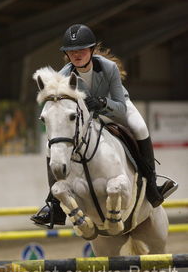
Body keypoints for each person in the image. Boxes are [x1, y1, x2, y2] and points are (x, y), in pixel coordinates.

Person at [31, 24, 176, 228]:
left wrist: (102, 103)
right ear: (67, 55)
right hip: (86, 115)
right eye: (72, 51)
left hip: (115, 107)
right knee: (51, 146)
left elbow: (120, 108)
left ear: (91, 50)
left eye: (81, 50)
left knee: (141, 127)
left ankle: (152, 185)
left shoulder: (109, 68)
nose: (77, 55)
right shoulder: (63, 76)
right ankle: (54, 204)